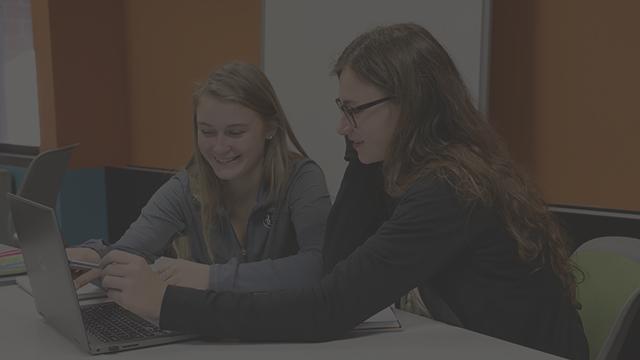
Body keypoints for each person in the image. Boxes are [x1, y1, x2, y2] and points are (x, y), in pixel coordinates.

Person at [96, 24, 588, 359]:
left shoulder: (449, 190)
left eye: (354, 110)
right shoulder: (418, 170)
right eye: (341, 108)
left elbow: (327, 306)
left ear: (410, 106)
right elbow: (338, 261)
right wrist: (361, 151)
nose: (340, 125)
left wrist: (166, 303)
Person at [68, 62, 331, 292]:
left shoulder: (302, 179)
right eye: (206, 132)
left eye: (235, 133)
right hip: (213, 341)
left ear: (270, 128)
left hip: (290, 342)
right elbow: (130, 251)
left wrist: (211, 278)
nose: (218, 147)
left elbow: (319, 264)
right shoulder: (186, 187)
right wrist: (95, 255)